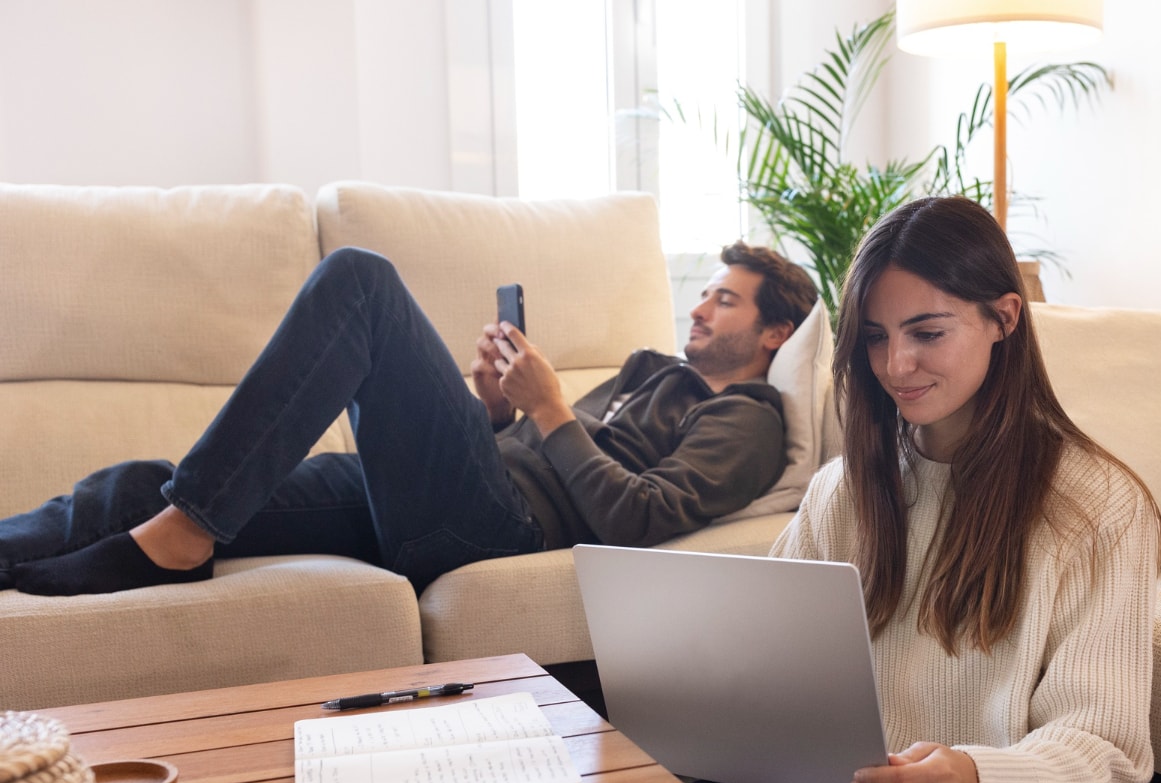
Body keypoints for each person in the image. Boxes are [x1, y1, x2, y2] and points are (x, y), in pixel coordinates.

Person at [691, 196, 1161, 783]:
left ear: (1004, 319)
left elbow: (1104, 751)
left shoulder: (1100, 507)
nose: (896, 365)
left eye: (927, 332)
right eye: (876, 339)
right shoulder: (844, 492)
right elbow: (764, 666)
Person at [0, 241, 817, 597]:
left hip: (506, 527)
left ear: (775, 332)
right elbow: (527, 443)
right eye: (703, 290)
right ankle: (163, 521)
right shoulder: (649, 371)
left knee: (362, 281)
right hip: (460, 490)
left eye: (724, 298)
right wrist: (498, 410)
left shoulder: (749, 418)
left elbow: (639, 520)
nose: (700, 307)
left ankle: (187, 531)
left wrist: (551, 407)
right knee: (145, 485)